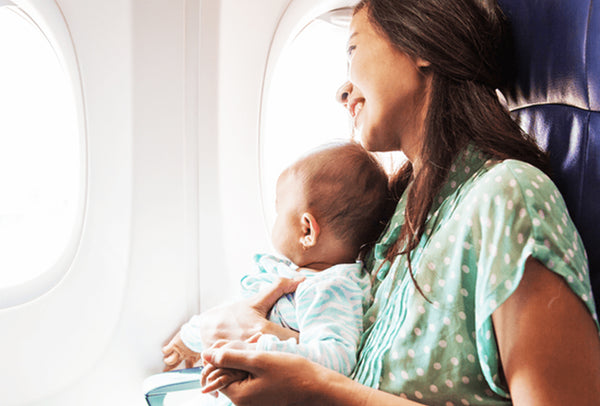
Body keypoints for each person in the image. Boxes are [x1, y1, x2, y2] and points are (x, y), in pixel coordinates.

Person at [192, 0, 600, 405]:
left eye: (352, 50)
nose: (342, 89)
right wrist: (250, 334)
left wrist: (318, 392)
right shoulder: (401, 218)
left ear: (420, 46)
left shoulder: (510, 199)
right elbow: (359, 363)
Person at [162, 141, 393, 389]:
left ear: (306, 230)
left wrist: (258, 348)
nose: (276, 219)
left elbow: (335, 359)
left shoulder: (331, 289)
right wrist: (190, 337)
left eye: (279, 210)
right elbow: (238, 310)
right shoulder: (287, 273)